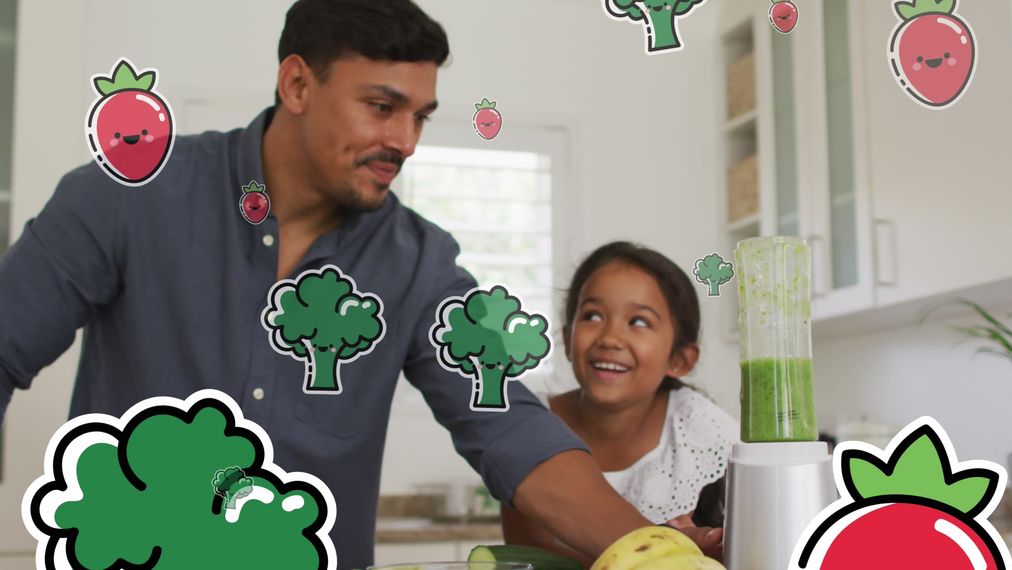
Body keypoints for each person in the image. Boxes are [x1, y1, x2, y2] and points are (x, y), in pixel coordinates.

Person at [0, 0, 723, 567]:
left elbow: (511, 429)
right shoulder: (128, 196)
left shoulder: (418, 264)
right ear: (297, 83)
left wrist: (655, 556)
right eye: (381, 107)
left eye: (419, 116)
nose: (405, 141)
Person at [501, 241, 740, 561]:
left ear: (679, 360)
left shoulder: (705, 435)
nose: (610, 338)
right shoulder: (528, 424)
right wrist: (661, 547)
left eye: (638, 322)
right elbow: (533, 555)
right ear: (568, 338)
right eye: (592, 315)